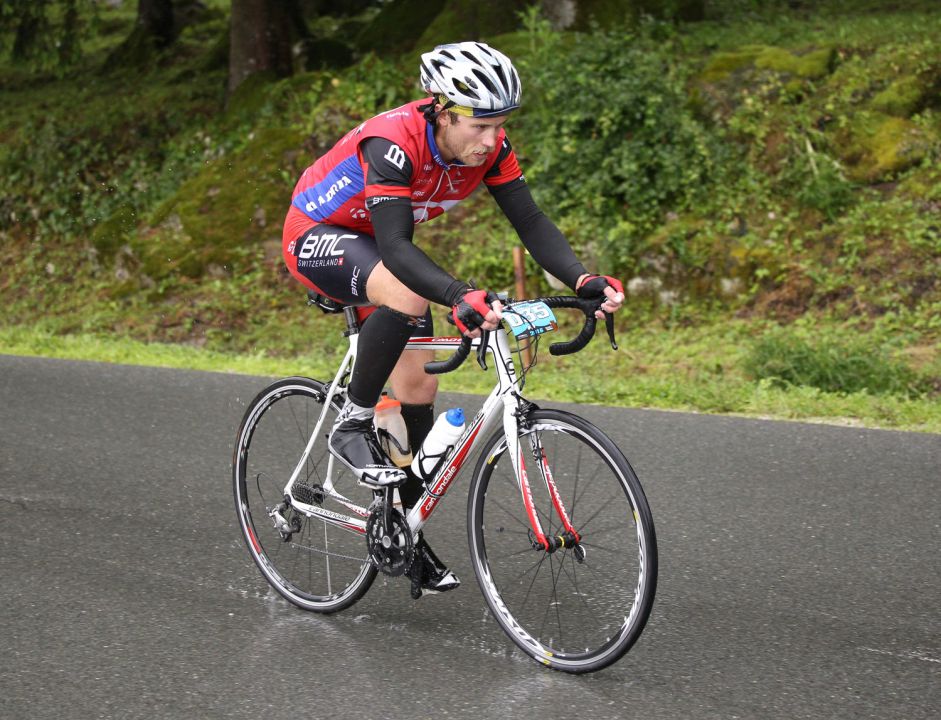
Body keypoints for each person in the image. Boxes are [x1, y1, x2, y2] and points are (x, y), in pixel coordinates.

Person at [282, 41, 624, 595]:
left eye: (502, 124)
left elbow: (530, 221)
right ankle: (353, 418)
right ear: (441, 109)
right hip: (318, 235)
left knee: (419, 387)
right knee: (410, 297)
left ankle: (402, 533)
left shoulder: (490, 148)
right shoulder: (393, 143)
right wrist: (459, 293)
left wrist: (582, 279)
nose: (491, 139)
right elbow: (394, 245)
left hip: (379, 253)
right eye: (479, 124)